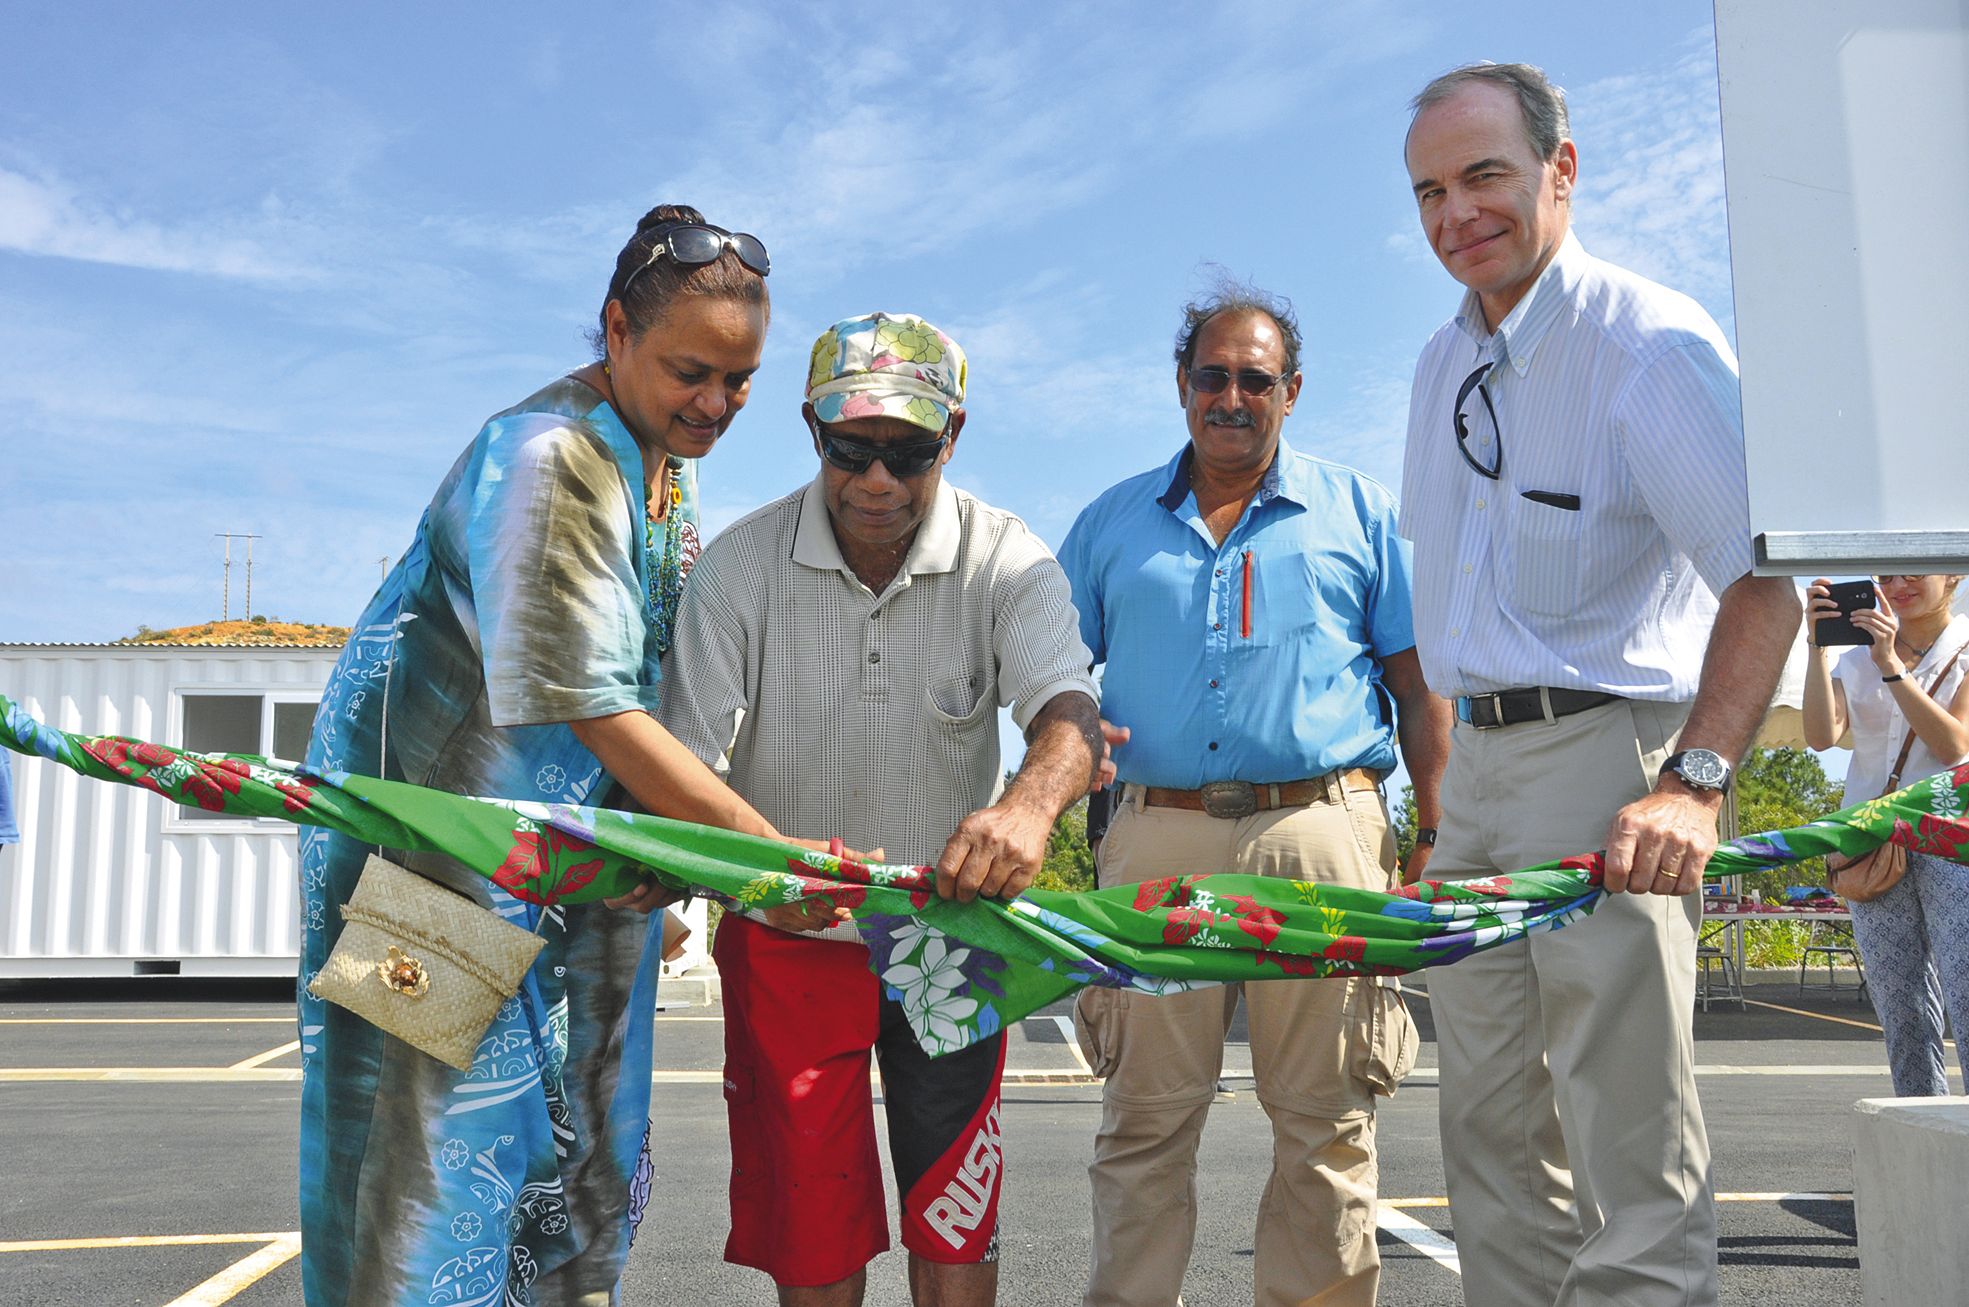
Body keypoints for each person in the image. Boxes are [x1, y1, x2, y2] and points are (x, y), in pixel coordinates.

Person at [298, 204, 802, 1306]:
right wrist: (760, 857)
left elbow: (644, 686)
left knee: (577, 1183)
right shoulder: (548, 457)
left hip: (572, 879)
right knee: (433, 1185)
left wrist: (663, 871)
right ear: (615, 328)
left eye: (740, 378)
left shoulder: (664, 467)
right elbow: (589, 704)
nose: (715, 403)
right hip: (432, 876)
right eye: (691, 370)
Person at [1399, 63, 1801, 1306]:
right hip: (1482, 783)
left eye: (1484, 177)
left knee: (1628, 1138)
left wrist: (1691, 783)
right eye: (1428, 191)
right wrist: (1446, 806)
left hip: (1609, 767)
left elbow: (1760, 581)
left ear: (1560, 173)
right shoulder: (1434, 366)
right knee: (1487, 1134)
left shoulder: (1648, 344)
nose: (1456, 212)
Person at [659, 311, 1102, 1307]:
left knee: (956, 1207)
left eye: (907, 454)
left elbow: (1068, 711)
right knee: (813, 1226)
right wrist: (766, 863)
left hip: (945, 925)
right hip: (786, 927)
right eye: (851, 450)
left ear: (952, 437)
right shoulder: (737, 568)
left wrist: (1029, 808)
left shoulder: (1007, 558)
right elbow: (685, 764)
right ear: (812, 433)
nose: (876, 482)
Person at [1057, 279, 1447, 1307]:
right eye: (1211, 375)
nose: (1232, 396)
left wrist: (1436, 832)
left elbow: (1418, 688)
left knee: (1325, 1120)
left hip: (1319, 829)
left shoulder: (1359, 513)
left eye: (1255, 379)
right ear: (1180, 384)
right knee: (1144, 1117)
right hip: (1155, 839)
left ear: (1293, 389)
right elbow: (1049, 677)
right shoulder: (1108, 524)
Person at [1803, 574, 1969, 1093]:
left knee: (1965, 990)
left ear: (1953, 576)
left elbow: (1954, 746)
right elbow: (1819, 736)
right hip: (1869, 843)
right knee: (1900, 1006)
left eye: (1914, 571)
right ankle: (1921, 1130)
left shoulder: (1964, 649)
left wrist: (1892, 666)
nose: (1898, 585)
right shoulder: (1855, 659)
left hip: (1949, 840)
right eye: (1886, 575)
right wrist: (1816, 651)